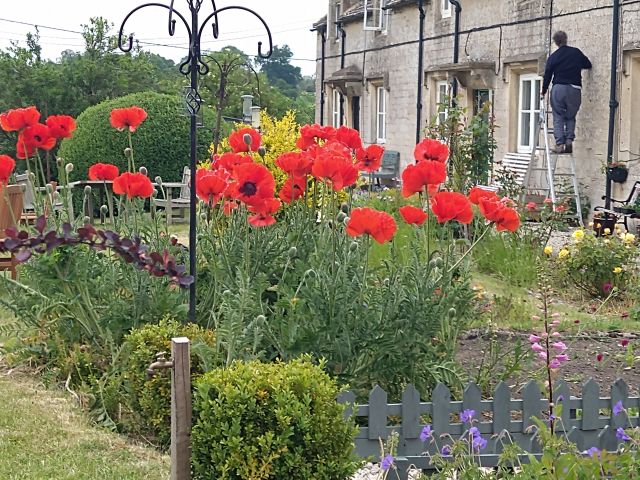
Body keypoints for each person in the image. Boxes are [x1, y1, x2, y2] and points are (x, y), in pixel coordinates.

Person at [541, 31, 592, 154]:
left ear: (556, 42)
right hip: (575, 88)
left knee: (558, 116)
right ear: (566, 39)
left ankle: (559, 144)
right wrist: (575, 66)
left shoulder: (553, 57)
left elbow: (547, 75)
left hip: (559, 88)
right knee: (570, 116)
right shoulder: (576, 52)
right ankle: (569, 140)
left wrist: (543, 91)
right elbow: (588, 64)